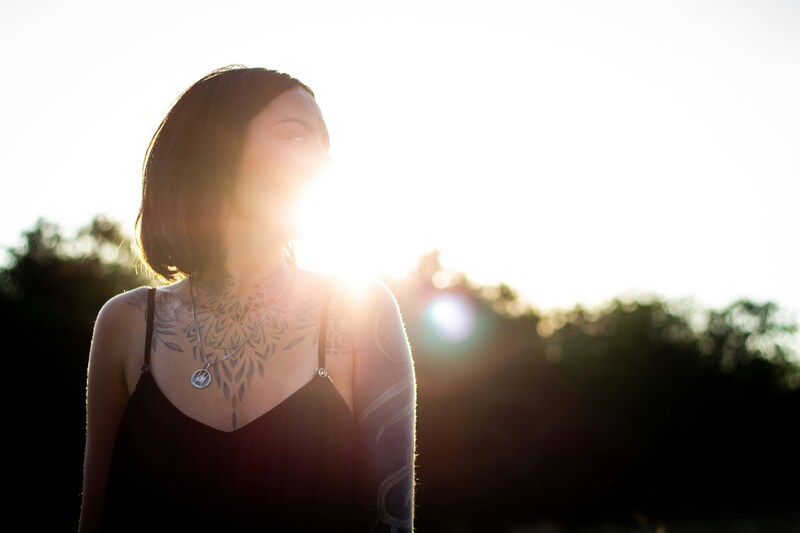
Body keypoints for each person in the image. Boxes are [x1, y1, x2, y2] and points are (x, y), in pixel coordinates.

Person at [78, 65, 417, 532]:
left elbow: (393, 523)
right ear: (214, 152)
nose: (328, 165)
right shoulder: (128, 322)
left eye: (325, 144)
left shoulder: (360, 310)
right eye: (296, 135)